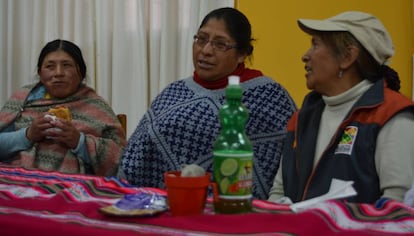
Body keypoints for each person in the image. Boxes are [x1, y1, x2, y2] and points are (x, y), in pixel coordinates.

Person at [120, 7, 297, 200]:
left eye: (220, 44)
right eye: (201, 39)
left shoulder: (270, 97)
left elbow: (291, 159)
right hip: (161, 207)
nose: (205, 51)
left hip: (237, 212)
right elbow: (135, 156)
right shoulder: (173, 92)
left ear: (242, 54)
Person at [268, 11, 414, 204]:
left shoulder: (392, 114)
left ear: (347, 56)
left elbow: (399, 206)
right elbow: (279, 192)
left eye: (315, 44)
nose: (305, 56)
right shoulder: (301, 119)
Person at [0, 39, 126, 176]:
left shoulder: (96, 106)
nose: (58, 73)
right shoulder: (22, 100)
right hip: (21, 181)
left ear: (81, 73)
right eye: (50, 66)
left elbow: (122, 159)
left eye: (67, 65)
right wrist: (28, 135)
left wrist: (80, 142)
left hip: (77, 187)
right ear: (40, 73)